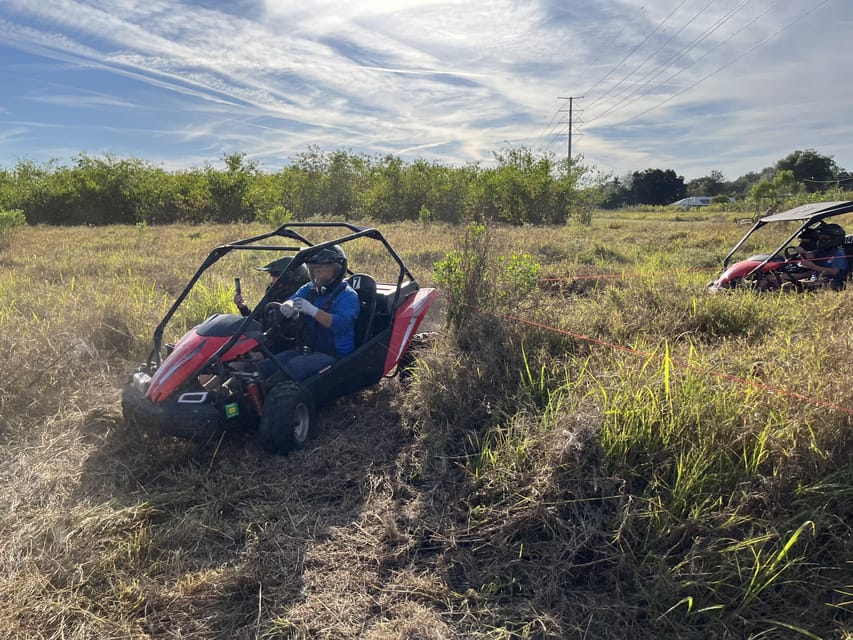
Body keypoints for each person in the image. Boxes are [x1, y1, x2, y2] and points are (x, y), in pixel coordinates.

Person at [260, 245, 360, 381]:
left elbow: (342, 325)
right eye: (315, 271)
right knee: (266, 366)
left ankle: (265, 393)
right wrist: (288, 306)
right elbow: (293, 298)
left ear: (338, 270)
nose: (318, 276)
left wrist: (313, 311)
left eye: (324, 271)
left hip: (334, 355)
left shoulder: (348, 296)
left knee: (291, 369)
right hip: (306, 349)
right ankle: (233, 391)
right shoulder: (310, 288)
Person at [777, 224, 848, 291]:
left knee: (788, 286)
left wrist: (813, 266)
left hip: (830, 282)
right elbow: (808, 255)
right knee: (780, 281)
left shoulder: (838, 253)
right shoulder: (822, 250)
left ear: (835, 239)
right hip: (815, 279)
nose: (822, 241)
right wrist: (802, 251)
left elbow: (835, 272)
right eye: (820, 238)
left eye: (825, 238)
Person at [234, 256, 309, 316]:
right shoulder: (273, 294)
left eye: (276, 276)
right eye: (272, 276)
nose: (272, 280)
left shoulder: (302, 300)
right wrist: (243, 307)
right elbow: (255, 321)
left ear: (290, 278)